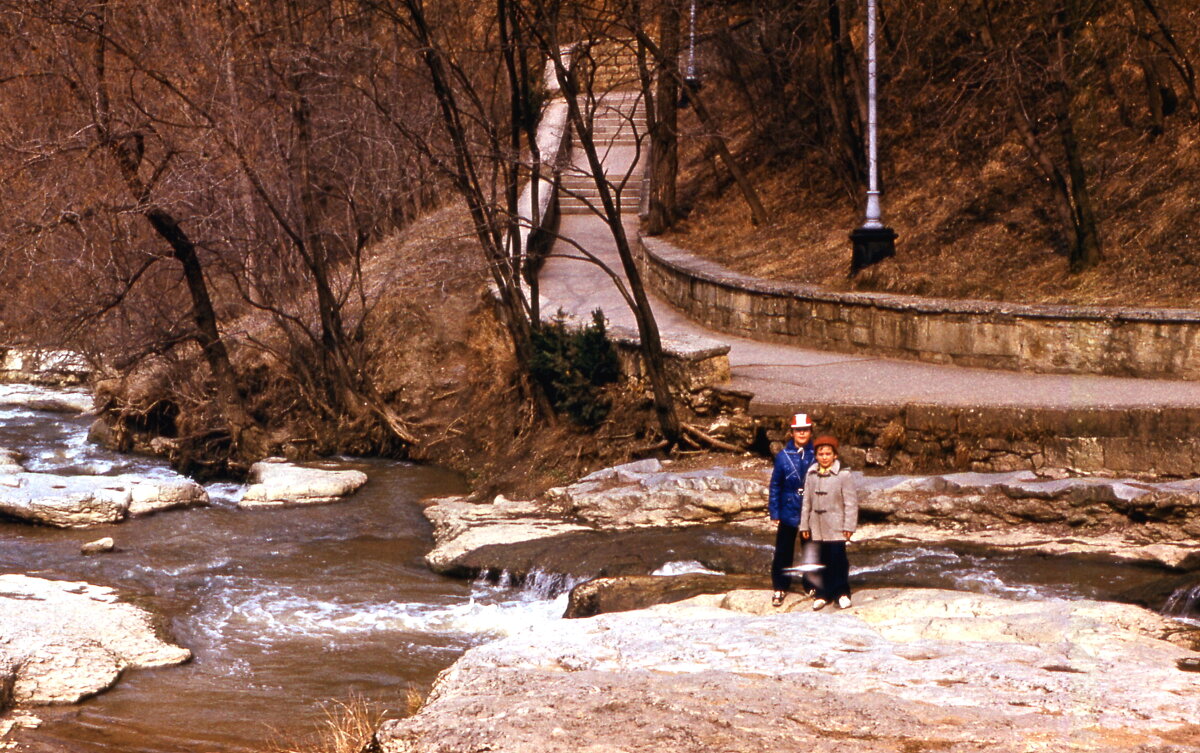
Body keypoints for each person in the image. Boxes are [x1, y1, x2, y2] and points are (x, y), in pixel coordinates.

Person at [800, 435, 858, 610]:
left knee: (838, 559)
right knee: (821, 560)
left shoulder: (843, 476)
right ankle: (822, 593)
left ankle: (841, 592)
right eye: (821, 454)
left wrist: (849, 526)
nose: (824, 457)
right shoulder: (811, 475)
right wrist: (804, 525)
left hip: (836, 526)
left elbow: (851, 503)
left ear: (835, 455)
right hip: (816, 526)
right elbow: (806, 503)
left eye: (828, 453)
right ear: (816, 456)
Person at [768, 412, 816, 607]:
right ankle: (780, 586)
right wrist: (775, 512)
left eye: (805, 430)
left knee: (811, 548)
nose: (802, 433)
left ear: (811, 432)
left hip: (811, 509)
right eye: (798, 430)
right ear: (792, 432)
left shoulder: (818, 454)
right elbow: (775, 486)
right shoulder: (782, 457)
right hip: (788, 508)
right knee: (783, 550)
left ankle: (811, 583)